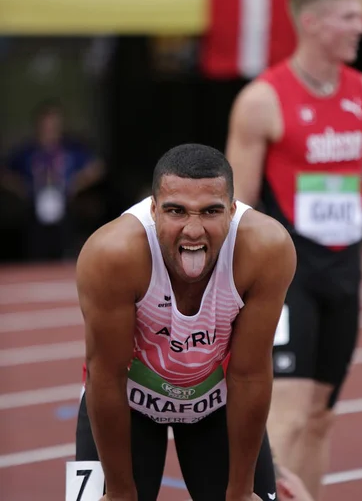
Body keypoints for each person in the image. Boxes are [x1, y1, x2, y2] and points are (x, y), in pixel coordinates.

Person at [225, 0, 362, 500]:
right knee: (289, 416)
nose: (360, 27)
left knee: (322, 418)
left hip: (342, 273)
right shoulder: (262, 101)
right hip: (287, 277)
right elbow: (236, 210)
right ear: (312, 21)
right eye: (348, 16)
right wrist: (233, 294)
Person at [73, 143, 296, 501]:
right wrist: (117, 491)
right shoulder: (112, 254)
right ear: (153, 210)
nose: (193, 231)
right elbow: (106, 376)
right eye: (176, 211)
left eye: (210, 211)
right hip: (126, 401)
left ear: (233, 211)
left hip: (216, 400)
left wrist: (240, 491)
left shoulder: (267, 249)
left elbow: (250, 374)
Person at [1, 101, 104, 260]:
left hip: (65, 211)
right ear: (38, 126)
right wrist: (22, 187)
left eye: (53, 125)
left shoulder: (70, 150)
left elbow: (97, 167)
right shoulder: (27, 152)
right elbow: (5, 173)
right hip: (34, 213)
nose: (49, 130)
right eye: (45, 126)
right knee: (35, 256)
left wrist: (76, 184)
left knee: (66, 255)